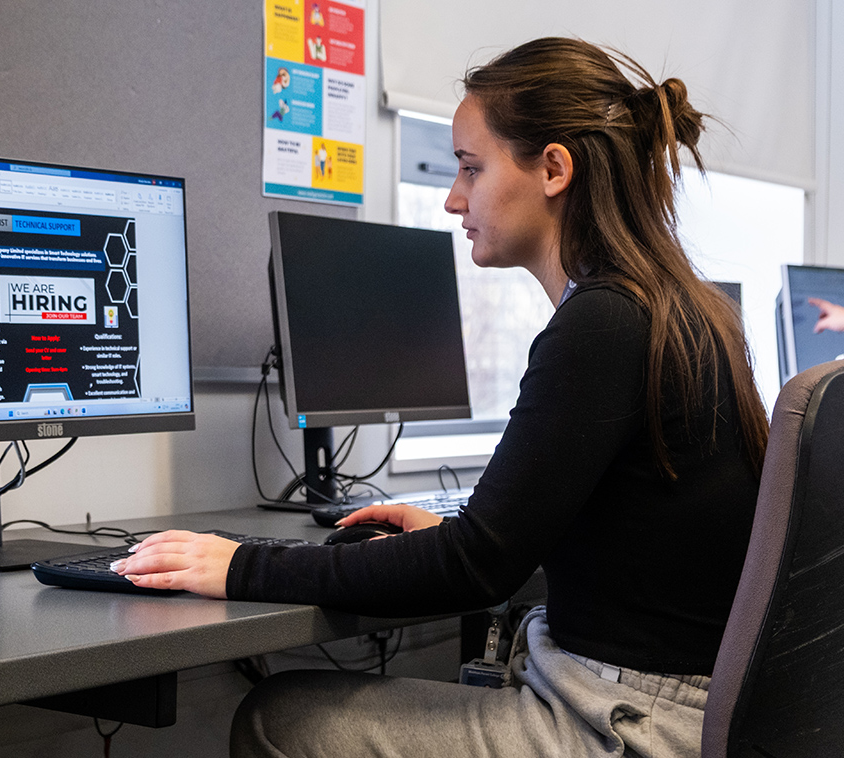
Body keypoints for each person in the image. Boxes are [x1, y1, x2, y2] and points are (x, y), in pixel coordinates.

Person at [111, 37, 769, 758]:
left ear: (553, 169)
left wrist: (239, 563)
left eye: (470, 167)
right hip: (675, 703)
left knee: (280, 716)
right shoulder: (688, 311)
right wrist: (469, 529)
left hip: (621, 718)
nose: (455, 198)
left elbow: (475, 569)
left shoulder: (604, 323)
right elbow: (629, 539)